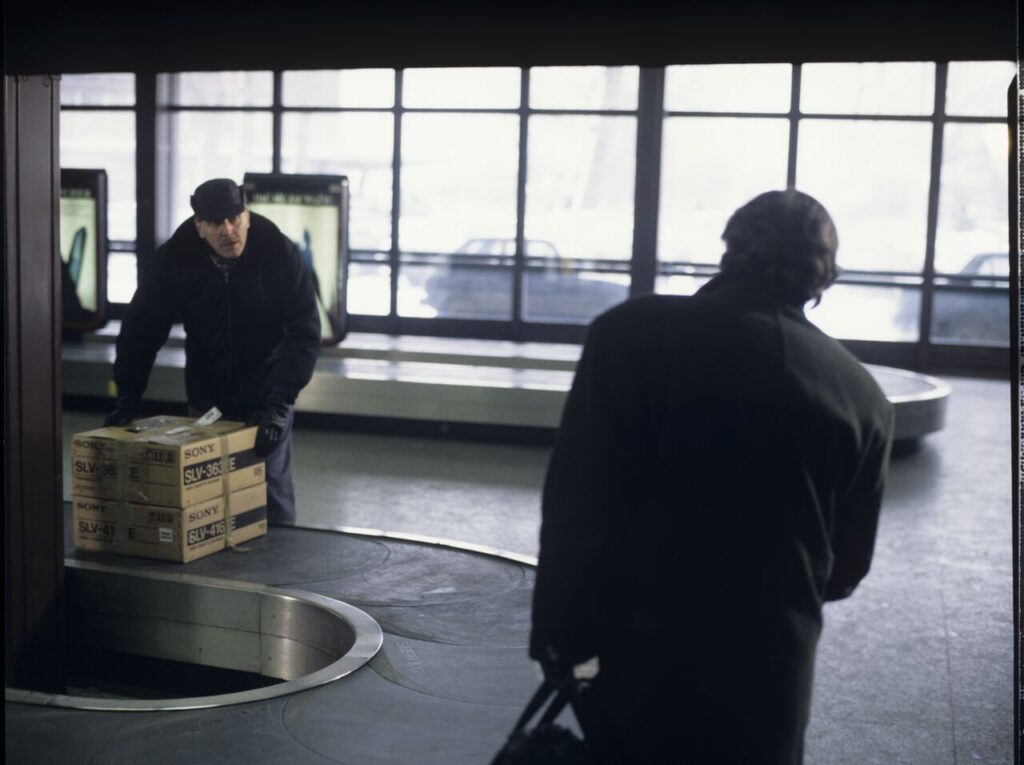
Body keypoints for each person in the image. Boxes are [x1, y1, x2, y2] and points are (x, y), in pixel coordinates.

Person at [529, 189, 895, 764]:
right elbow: (846, 571)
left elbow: (578, 504)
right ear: (823, 276)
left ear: (730, 249)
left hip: (637, 662)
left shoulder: (630, 336)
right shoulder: (862, 395)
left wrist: (560, 639)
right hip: (772, 680)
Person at [105, 178, 321, 525]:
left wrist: (279, 404)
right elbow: (141, 330)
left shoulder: (278, 252)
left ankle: (276, 573)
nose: (228, 230)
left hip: (266, 398)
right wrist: (127, 396)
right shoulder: (176, 258)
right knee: (206, 499)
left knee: (272, 497)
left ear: (246, 214)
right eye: (216, 222)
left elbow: (305, 335)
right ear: (199, 226)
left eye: (235, 218)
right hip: (207, 399)